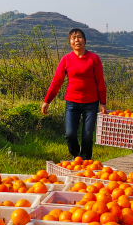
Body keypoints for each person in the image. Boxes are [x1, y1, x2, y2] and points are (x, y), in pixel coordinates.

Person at [42, 28, 107, 160]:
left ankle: (86, 159)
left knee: (88, 135)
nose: (77, 40)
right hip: (72, 102)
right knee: (70, 134)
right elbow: (56, 82)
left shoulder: (94, 58)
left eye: (79, 37)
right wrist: (47, 101)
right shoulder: (66, 60)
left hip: (91, 103)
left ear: (85, 40)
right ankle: (76, 156)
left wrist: (103, 103)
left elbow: (100, 82)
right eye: (73, 38)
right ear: (70, 43)